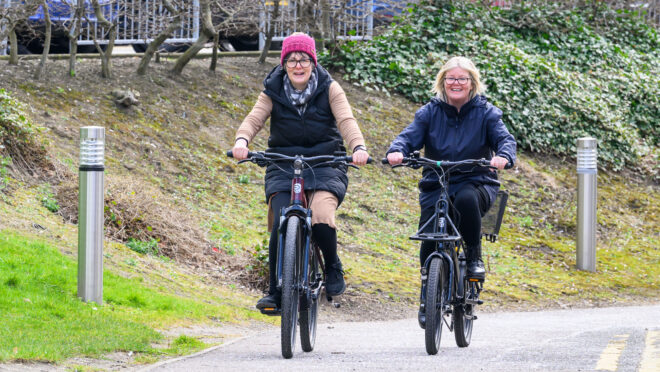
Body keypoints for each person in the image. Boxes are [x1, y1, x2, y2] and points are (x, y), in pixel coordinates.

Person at [231, 32, 370, 311]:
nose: (298, 65)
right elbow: (255, 118)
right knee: (281, 222)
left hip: (325, 162)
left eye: (304, 59)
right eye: (292, 59)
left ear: (313, 62)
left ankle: (332, 266)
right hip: (283, 163)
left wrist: (358, 147)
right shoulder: (273, 88)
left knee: (320, 216)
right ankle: (274, 290)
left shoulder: (329, 87)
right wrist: (241, 140)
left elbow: (346, 119)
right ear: (284, 63)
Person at [385, 56, 516, 325]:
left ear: (472, 83)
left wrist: (503, 156)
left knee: (466, 199)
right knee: (430, 233)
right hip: (438, 182)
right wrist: (398, 151)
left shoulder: (486, 113)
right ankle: (427, 294)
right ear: (443, 82)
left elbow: (505, 139)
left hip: (477, 180)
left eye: (462, 79)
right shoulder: (429, 112)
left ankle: (475, 256)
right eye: (451, 79)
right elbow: (409, 136)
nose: (456, 83)